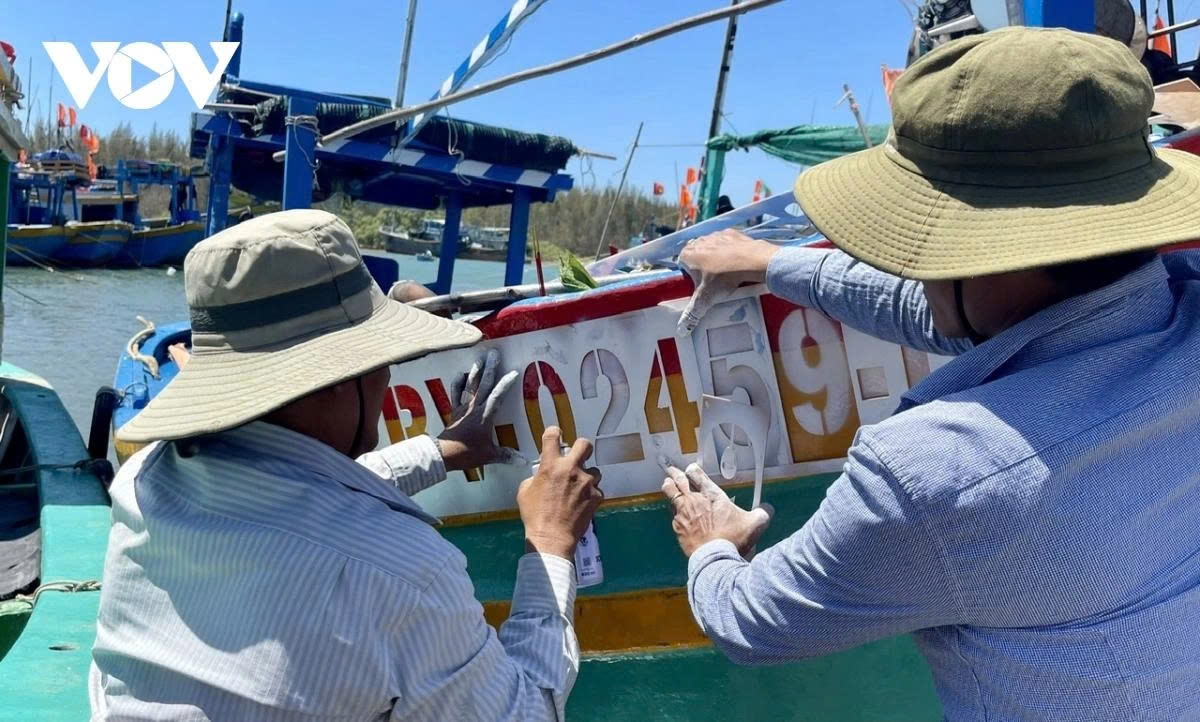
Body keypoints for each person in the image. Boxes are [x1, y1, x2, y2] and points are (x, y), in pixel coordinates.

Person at [665, 28, 1200, 721]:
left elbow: (753, 623)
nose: (916, 273)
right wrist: (773, 264)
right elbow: (962, 313)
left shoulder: (936, 476)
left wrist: (710, 545)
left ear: (984, 256)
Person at [91, 210, 602, 721]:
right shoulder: (404, 575)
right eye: (380, 360)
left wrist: (438, 451)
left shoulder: (142, 483)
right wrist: (550, 545)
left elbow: (294, 502)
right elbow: (527, 712)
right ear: (338, 377)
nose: (385, 378)